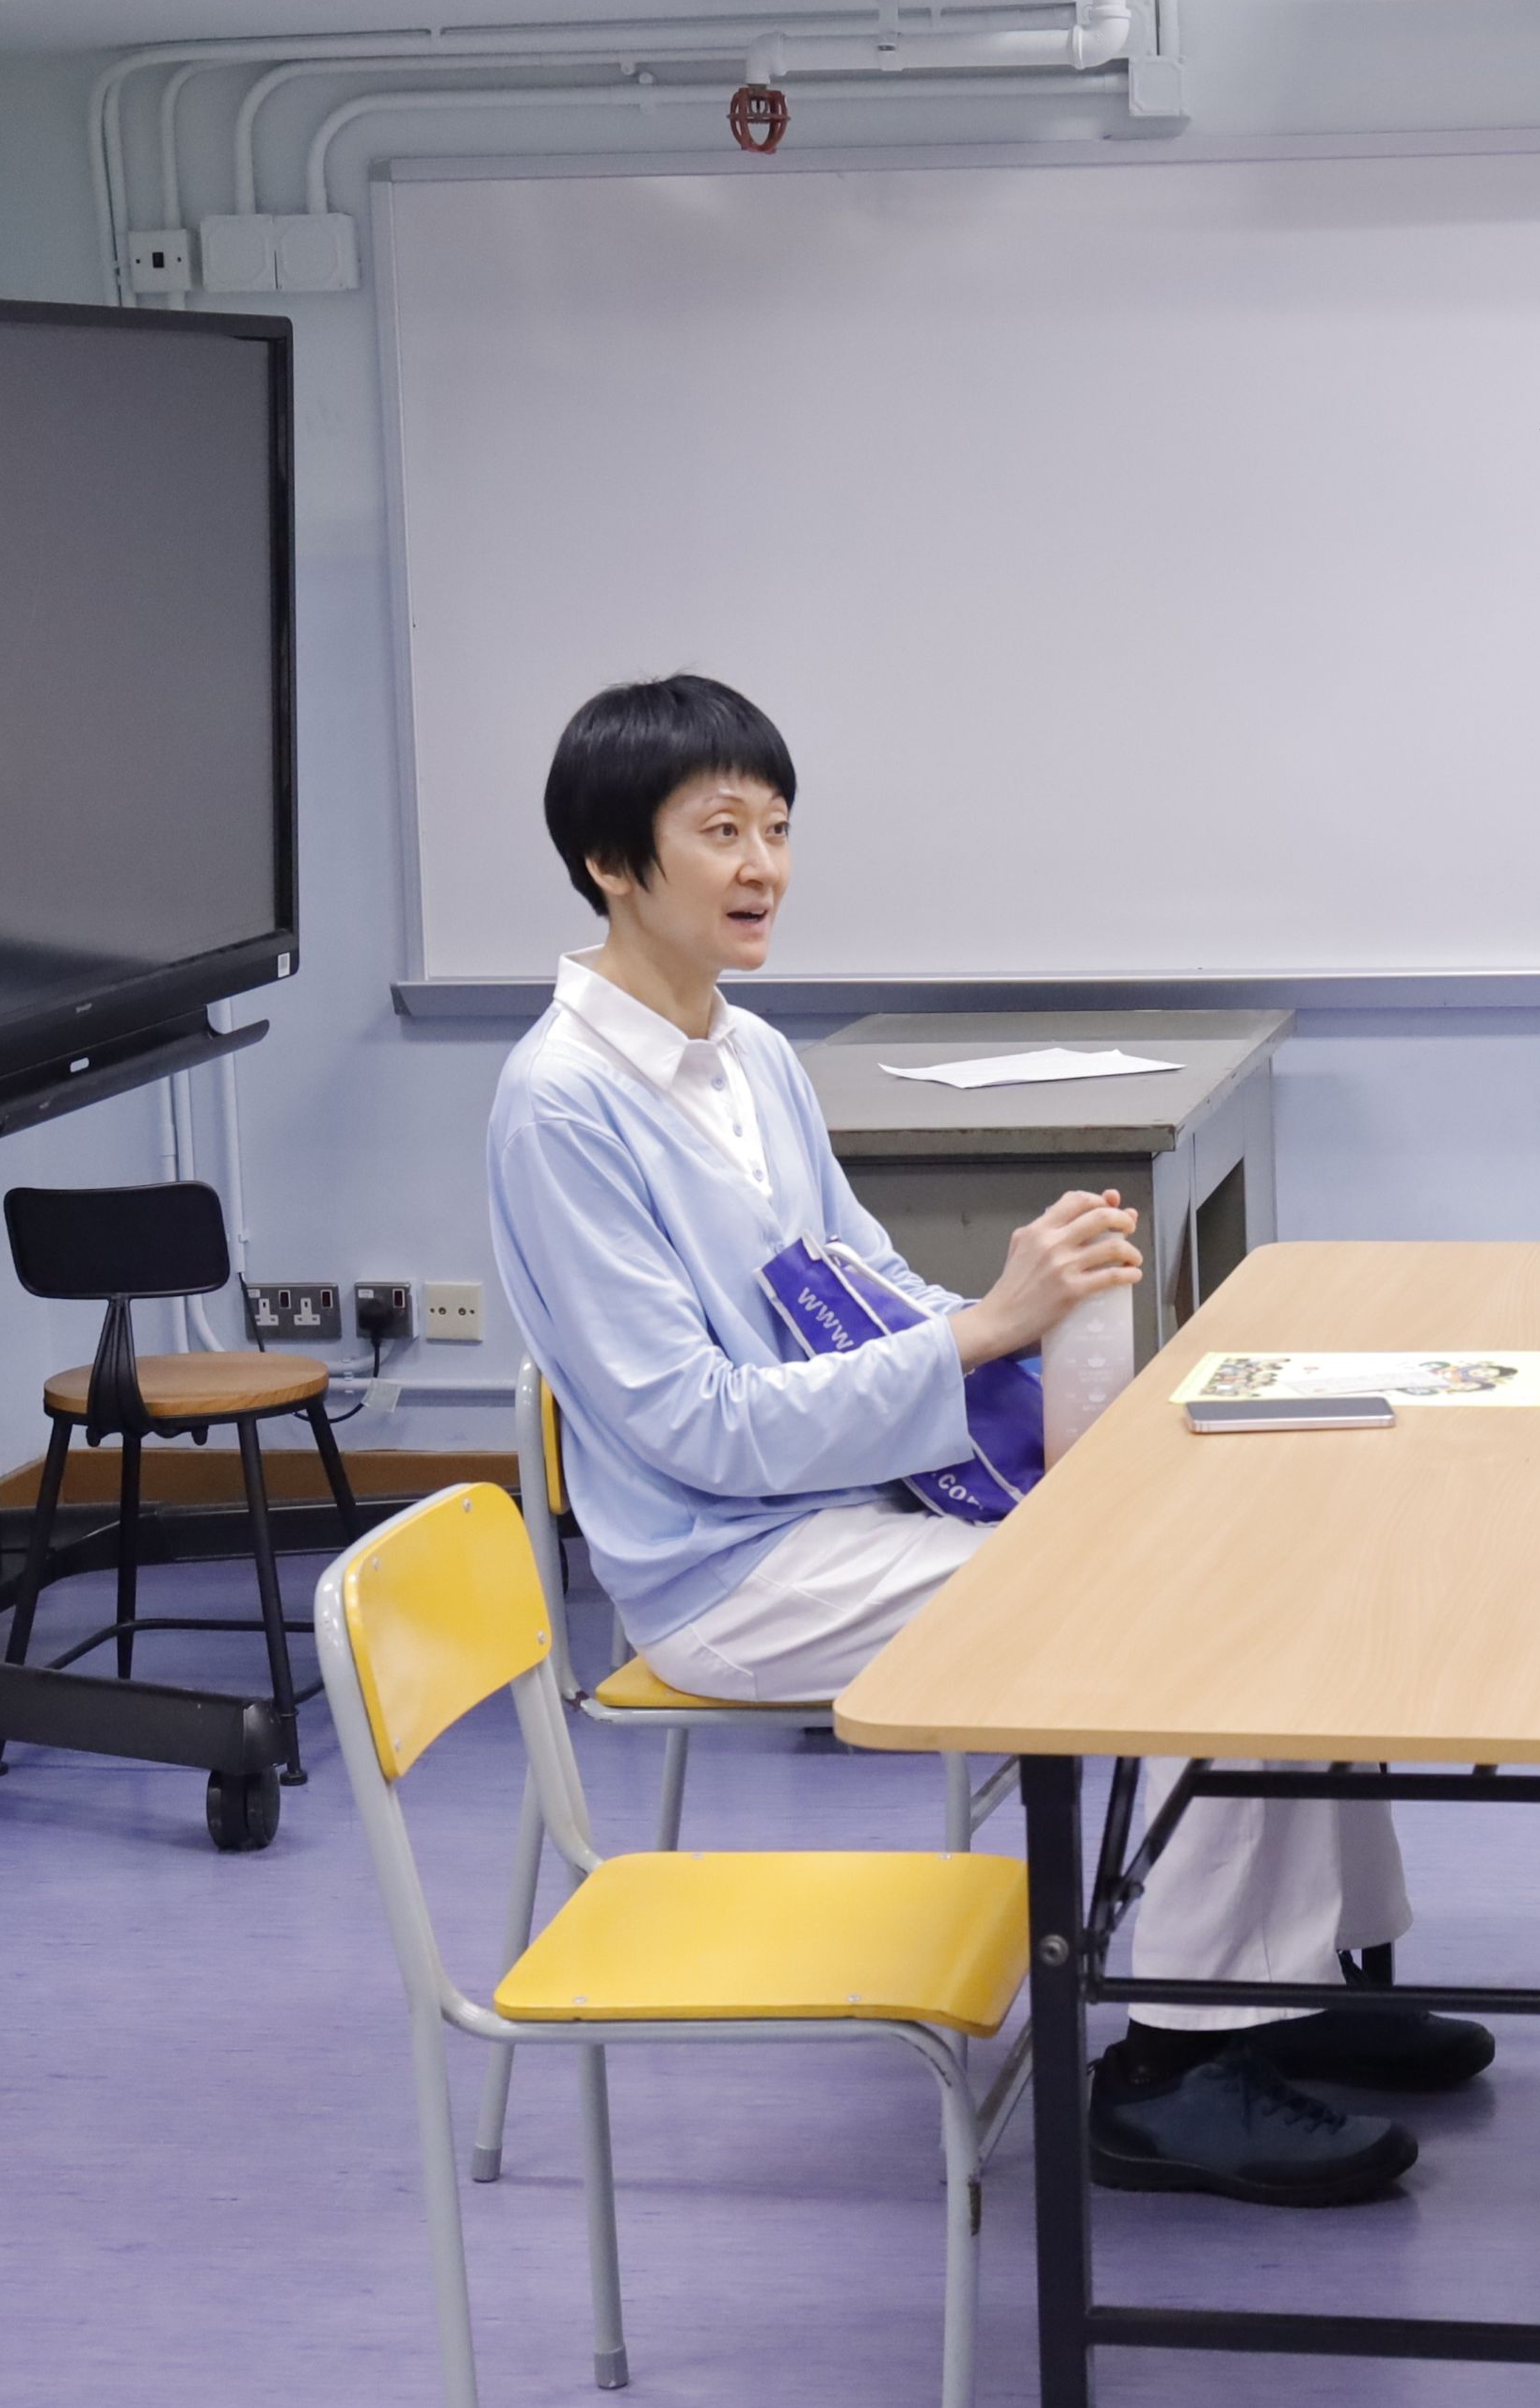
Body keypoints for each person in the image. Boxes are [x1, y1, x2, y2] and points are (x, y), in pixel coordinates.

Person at [485, 674, 1489, 2210]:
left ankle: (1283, 1986)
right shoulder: (561, 1109)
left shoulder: (746, 1054)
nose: (763, 867)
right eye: (720, 832)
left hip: (854, 1497)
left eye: (776, 829)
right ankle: (1173, 2066)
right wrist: (980, 1333)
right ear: (612, 864)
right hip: (735, 1569)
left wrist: (1012, 1313)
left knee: (1259, 1552)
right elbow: (692, 1425)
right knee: (1198, 1616)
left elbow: (866, 1281)